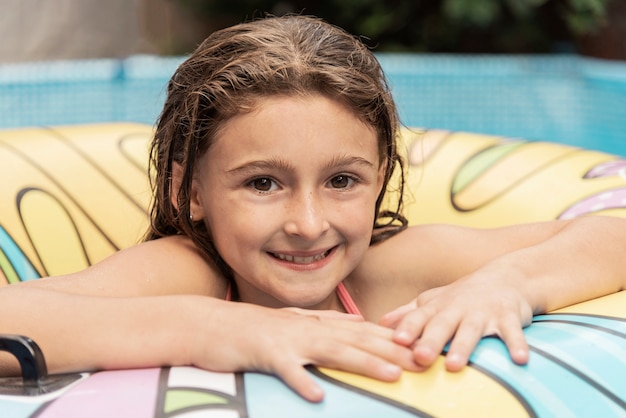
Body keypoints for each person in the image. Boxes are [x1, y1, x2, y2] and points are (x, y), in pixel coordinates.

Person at [1, 15, 625, 403]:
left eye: (342, 180)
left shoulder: (387, 271)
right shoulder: (194, 275)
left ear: (381, 181)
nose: (308, 223)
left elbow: (610, 235)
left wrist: (508, 284)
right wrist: (212, 327)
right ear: (189, 192)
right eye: (263, 183)